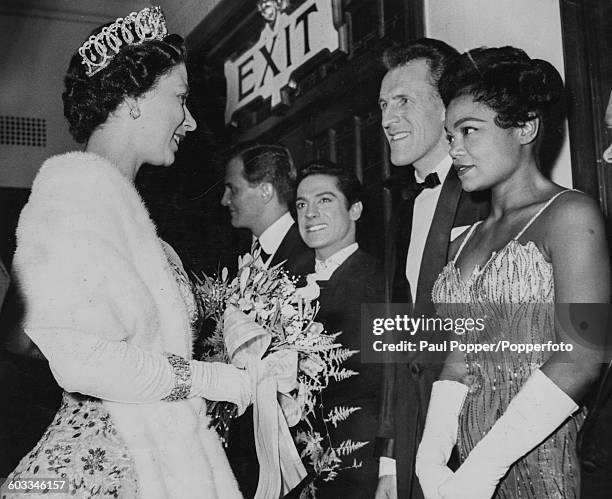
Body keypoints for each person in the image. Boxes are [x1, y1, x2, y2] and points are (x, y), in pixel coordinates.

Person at [3, 7, 250, 498]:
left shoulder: (128, 216)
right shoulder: (71, 195)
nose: (191, 120)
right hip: (102, 474)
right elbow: (76, 360)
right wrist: (220, 380)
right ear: (134, 98)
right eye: (180, 98)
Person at [416, 46, 610, 498]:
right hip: (468, 471)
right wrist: (432, 460)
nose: (455, 148)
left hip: (548, 461)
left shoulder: (572, 214)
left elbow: (583, 356)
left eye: (469, 131)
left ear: (525, 126)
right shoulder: (463, 238)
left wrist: (482, 470)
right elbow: (460, 358)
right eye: (450, 135)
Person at [375, 39, 489, 499]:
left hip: (476, 441)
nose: (386, 119)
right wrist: (389, 461)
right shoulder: (401, 208)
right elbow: (396, 337)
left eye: (403, 101)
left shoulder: (487, 192)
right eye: (383, 104)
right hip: (412, 442)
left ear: (448, 106)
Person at [220, 143, 313, 497]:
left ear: (265, 191)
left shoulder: (308, 251)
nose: (225, 199)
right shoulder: (250, 256)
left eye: (233, 188)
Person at [295, 160, 385, 498]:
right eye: (302, 204)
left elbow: (394, 385)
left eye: (325, 200)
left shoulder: (382, 282)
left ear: (356, 209)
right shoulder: (285, 284)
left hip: (360, 465)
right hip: (300, 466)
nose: (310, 213)